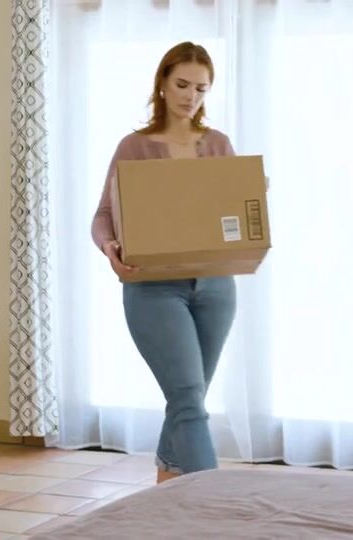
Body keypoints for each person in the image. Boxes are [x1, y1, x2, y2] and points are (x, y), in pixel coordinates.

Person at [91, 42, 237, 484]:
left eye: (201, 88)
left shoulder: (218, 145)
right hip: (153, 288)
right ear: (162, 84)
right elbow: (103, 217)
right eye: (182, 84)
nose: (191, 96)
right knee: (189, 398)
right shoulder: (134, 147)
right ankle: (212, 500)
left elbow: (231, 215)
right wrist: (110, 249)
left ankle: (167, 486)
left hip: (215, 287)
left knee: (187, 398)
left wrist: (250, 194)